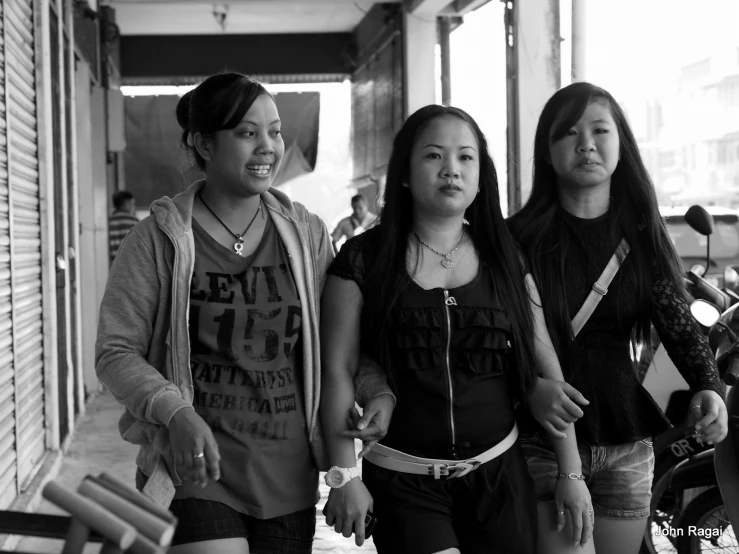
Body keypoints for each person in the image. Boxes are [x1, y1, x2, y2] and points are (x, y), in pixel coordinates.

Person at [95, 72, 395, 554]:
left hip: (287, 476)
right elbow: (115, 351)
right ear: (203, 145)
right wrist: (175, 413)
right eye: (246, 132)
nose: (267, 147)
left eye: (275, 131)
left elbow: (339, 342)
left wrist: (375, 390)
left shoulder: (306, 235)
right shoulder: (158, 240)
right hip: (194, 470)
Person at [319, 104, 593, 554]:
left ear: (481, 174)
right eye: (433, 156)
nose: (452, 169)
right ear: (404, 172)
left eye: (466, 157)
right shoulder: (362, 261)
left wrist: (571, 472)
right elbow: (337, 371)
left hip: (499, 478)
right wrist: (344, 476)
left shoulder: (506, 257)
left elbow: (546, 363)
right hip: (406, 483)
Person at [507, 81, 729, 554]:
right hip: (542, 441)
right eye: (567, 132)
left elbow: (678, 325)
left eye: (600, 130)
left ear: (620, 144)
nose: (586, 143)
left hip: (628, 445)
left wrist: (709, 386)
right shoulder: (517, 239)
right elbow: (499, 336)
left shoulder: (643, 237)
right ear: (547, 153)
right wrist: (530, 385)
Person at [109, 190, 139, 262]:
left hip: (110, 265)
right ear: (126, 203)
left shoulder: (108, 222)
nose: (133, 207)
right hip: (127, 265)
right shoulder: (134, 222)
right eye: (132, 204)